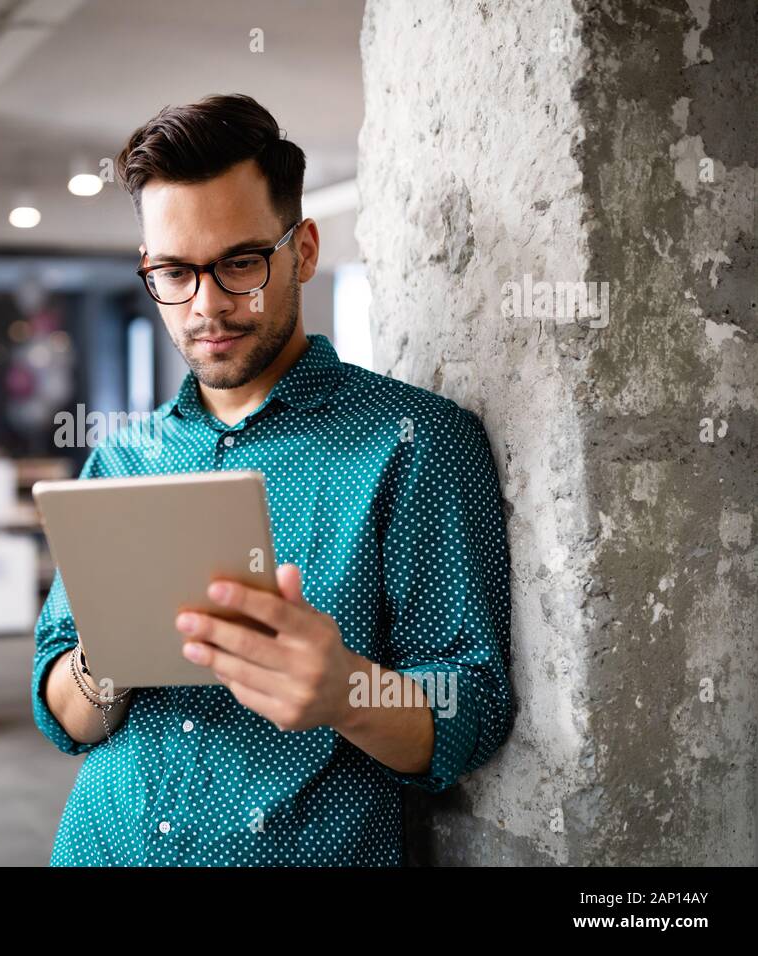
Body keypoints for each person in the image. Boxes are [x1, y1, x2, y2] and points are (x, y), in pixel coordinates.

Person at [31, 93, 514, 865]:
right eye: (174, 273)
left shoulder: (414, 442)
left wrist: (348, 691)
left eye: (240, 263)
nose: (208, 305)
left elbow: (474, 704)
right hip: (100, 843)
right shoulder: (122, 458)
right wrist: (103, 663)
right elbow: (60, 707)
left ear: (305, 250)